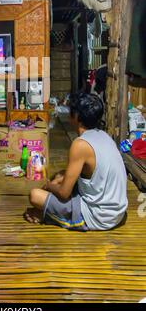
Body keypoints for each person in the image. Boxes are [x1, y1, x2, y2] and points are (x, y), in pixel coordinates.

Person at [24, 92, 128, 231]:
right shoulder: (103, 135)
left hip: (99, 217)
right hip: (117, 212)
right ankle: (48, 212)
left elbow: (63, 193)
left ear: (77, 117)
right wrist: (58, 180)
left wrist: (48, 186)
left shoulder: (80, 145)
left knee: (35, 195)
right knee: (60, 176)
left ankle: (47, 216)